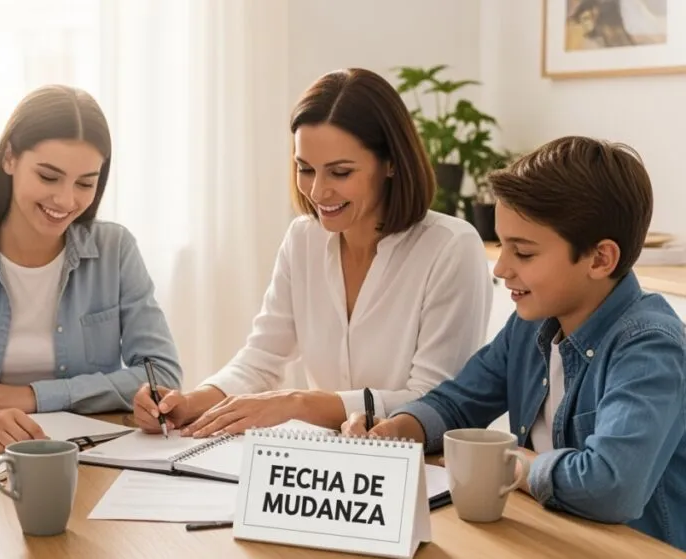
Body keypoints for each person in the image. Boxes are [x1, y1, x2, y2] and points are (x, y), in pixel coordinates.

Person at [342, 136, 686, 551]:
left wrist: (513, 464)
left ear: (600, 259)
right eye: (503, 245)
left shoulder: (649, 348)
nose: (502, 268)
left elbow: (611, 486)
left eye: (523, 253)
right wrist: (398, 429)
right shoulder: (532, 324)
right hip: (550, 535)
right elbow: (458, 403)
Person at [133, 68, 492, 437]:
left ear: (391, 163)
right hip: (323, 469)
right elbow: (261, 360)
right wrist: (189, 403)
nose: (318, 192)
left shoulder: (450, 247)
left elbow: (434, 401)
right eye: (305, 169)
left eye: (340, 172)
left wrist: (297, 403)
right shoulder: (303, 239)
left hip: (420, 468)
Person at [0, 85, 182, 452]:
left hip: (92, 455)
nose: (65, 200)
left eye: (85, 183)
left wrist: (36, 396)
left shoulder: (115, 250)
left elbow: (162, 375)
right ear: (9, 158)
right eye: (48, 177)